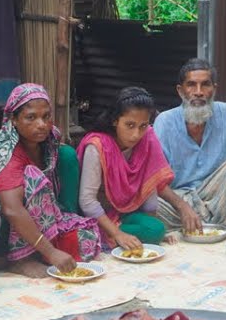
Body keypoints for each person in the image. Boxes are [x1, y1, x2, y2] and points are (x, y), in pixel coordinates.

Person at [0, 83, 99, 278]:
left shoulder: (49, 141)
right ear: (14, 120)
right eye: (31, 117)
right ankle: (18, 259)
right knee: (32, 177)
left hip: (35, 219)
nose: (41, 124)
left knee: (86, 242)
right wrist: (51, 252)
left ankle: (43, 245)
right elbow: (12, 209)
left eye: (46, 116)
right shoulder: (7, 154)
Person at [78, 87, 198, 249]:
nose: (136, 134)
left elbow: (149, 185)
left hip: (128, 214)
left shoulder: (147, 138)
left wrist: (154, 230)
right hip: (100, 217)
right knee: (148, 232)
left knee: (156, 229)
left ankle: (121, 235)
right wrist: (118, 234)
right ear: (115, 121)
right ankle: (105, 236)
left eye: (143, 125)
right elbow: (87, 201)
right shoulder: (97, 147)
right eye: (130, 125)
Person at [152, 58, 226, 234]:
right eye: (191, 85)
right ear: (180, 91)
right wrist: (183, 207)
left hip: (219, 200)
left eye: (205, 85)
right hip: (177, 202)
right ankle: (208, 222)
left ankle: (224, 218)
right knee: (145, 203)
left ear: (214, 89)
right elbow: (156, 178)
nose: (198, 92)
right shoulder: (165, 121)